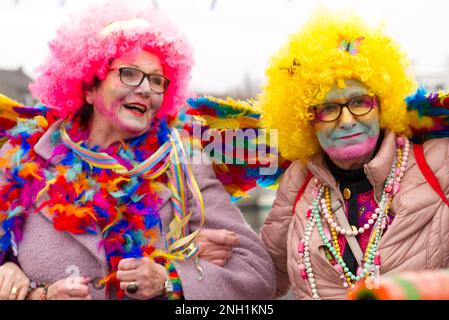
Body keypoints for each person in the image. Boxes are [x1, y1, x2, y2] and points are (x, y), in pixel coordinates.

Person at [0, 0, 275, 300]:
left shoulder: (183, 162)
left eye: (157, 80)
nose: (145, 89)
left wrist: (169, 281)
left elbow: (257, 274)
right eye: (129, 74)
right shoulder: (24, 157)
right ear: (89, 87)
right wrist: (30, 291)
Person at [258, 11, 449, 299]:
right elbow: (260, 281)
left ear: (383, 105)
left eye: (360, 102)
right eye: (328, 108)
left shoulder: (437, 164)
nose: (346, 121)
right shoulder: (298, 182)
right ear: (306, 120)